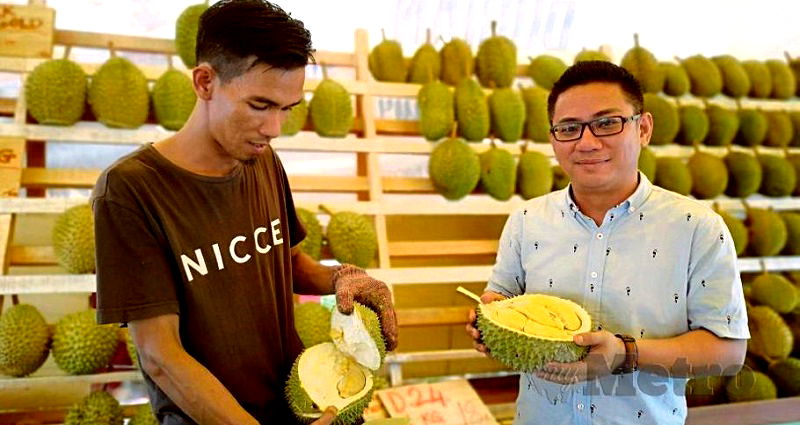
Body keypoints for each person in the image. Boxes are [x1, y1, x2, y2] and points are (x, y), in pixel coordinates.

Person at [91, 1, 397, 424]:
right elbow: (160, 354)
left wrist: (341, 277)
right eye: (260, 105)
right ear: (204, 81)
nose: (274, 129)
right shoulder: (130, 190)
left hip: (295, 396)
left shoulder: (262, 159)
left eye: (287, 109)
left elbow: (284, 261)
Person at [466, 61, 748, 425]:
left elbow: (728, 353)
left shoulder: (697, 228)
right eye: (569, 128)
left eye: (606, 123)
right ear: (553, 139)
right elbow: (501, 299)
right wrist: (488, 319)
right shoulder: (526, 221)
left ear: (643, 128)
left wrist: (625, 354)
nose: (586, 142)